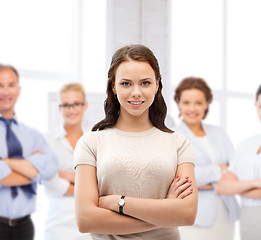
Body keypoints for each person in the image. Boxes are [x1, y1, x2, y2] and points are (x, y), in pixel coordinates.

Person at [73, 44, 198, 240]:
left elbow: (187, 214)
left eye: (145, 83)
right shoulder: (91, 143)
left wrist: (118, 202)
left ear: (157, 85)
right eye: (126, 83)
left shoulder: (178, 144)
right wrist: (166, 212)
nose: (136, 92)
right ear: (113, 86)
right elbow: (85, 220)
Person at [174, 77, 239, 240]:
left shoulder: (219, 133)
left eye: (198, 102)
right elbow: (182, 179)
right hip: (195, 217)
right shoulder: (173, 136)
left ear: (207, 104)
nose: (192, 108)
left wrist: (205, 181)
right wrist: (219, 170)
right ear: (178, 104)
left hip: (226, 213)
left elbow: (236, 168)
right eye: (187, 102)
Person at [0, 63, 58, 240]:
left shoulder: (32, 135)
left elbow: (50, 169)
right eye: (0, 85)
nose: (6, 92)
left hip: (25, 227)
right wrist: (33, 169)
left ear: (18, 89)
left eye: (11, 85)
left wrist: (6, 162)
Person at [43, 83, 91, 240]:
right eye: (66, 105)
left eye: (76, 104)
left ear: (85, 106)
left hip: (90, 224)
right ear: (59, 108)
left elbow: (102, 181)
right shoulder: (48, 140)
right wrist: (86, 185)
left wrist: (68, 177)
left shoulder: (94, 138)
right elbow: (51, 183)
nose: (72, 110)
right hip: (58, 225)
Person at [217, 85, 261, 240]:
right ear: (255, 106)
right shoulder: (245, 145)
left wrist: (238, 187)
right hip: (248, 221)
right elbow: (223, 187)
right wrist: (256, 183)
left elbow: (231, 187)